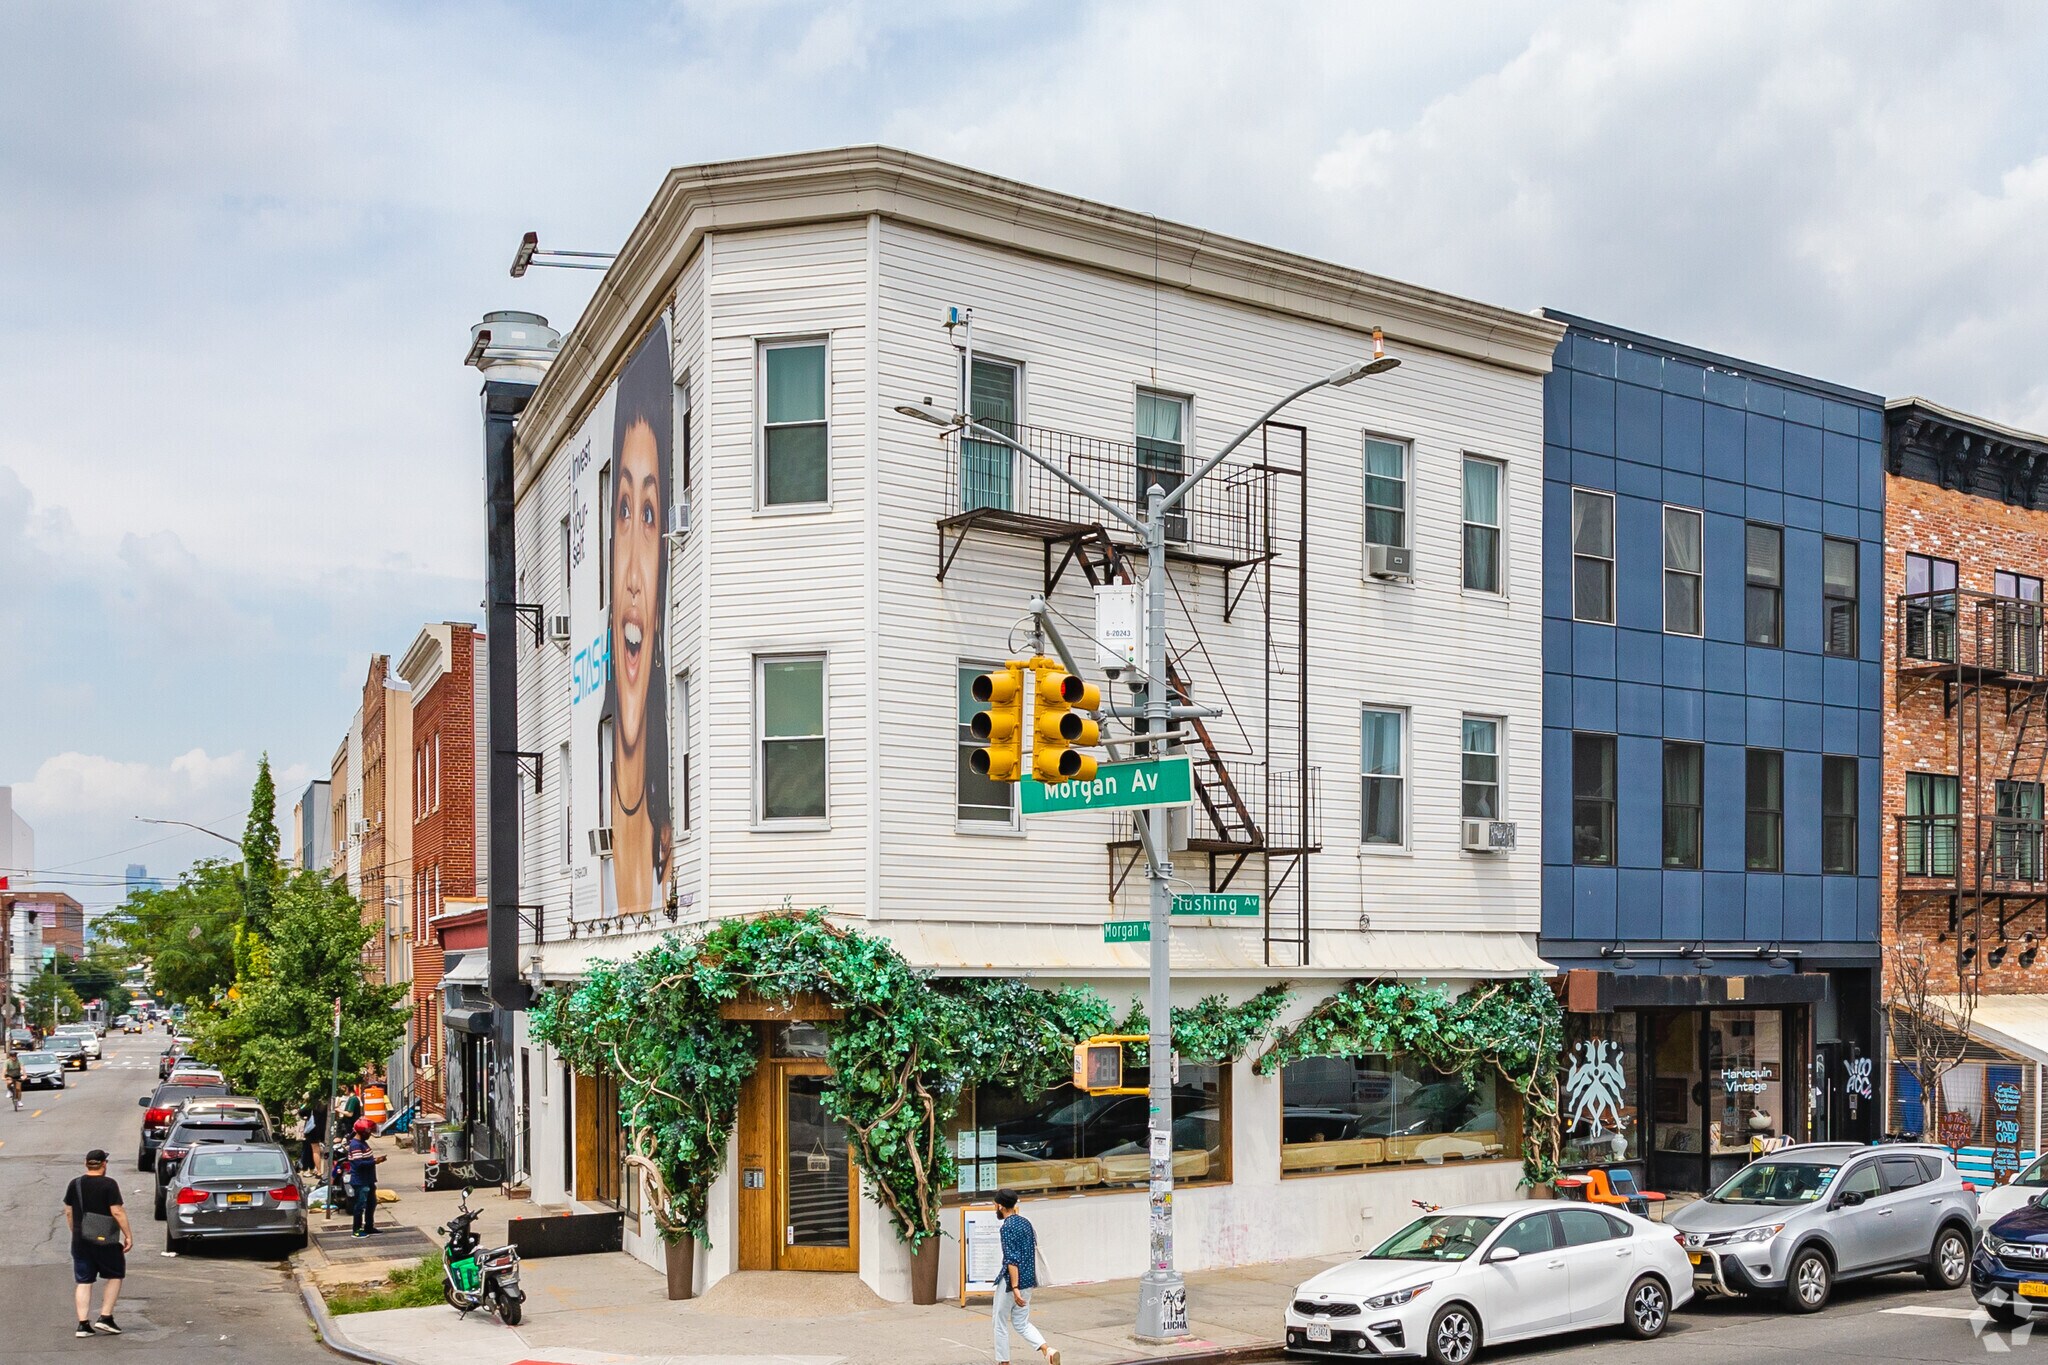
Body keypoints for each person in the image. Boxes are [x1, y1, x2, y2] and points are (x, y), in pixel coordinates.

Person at [603, 322, 674, 919]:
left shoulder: (672, 850)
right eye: (623, 509)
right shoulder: (598, 797)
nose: (631, 575)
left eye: (649, 515)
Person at [62, 1149, 132, 1337]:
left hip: (80, 1239)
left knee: (84, 1280)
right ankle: (105, 1317)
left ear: (86, 1164)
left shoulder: (75, 1184)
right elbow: (117, 1211)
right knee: (115, 1274)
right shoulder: (109, 1184)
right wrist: (128, 1235)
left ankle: (83, 1325)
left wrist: (76, 1231)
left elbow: (68, 1211)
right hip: (105, 1239)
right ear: (104, 1164)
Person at [993, 1189, 1059, 1365]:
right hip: (1029, 1280)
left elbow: (1011, 1260)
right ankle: (1047, 1350)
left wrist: (1014, 1287)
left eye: (995, 1204)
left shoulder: (1007, 1227)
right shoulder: (1025, 1223)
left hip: (1011, 1282)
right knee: (1021, 1322)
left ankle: (1004, 1361)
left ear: (1001, 1206)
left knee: (999, 1321)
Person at [345, 1118, 385, 1237]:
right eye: (368, 1132)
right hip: (360, 1181)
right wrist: (375, 1161)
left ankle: (369, 1226)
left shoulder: (362, 1143)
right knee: (360, 1205)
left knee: (371, 1203)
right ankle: (356, 1230)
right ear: (362, 1133)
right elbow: (359, 1164)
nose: (370, 1135)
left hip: (368, 1179)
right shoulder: (356, 1145)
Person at [296, 1096, 326, 1174]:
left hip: (313, 1129)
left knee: (315, 1150)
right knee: (324, 1148)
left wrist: (305, 1103)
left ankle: (319, 1171)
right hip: (323, 1129)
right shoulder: (324, 1105)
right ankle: (325, 1170)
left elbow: (300, 1111)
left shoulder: (309, 1106)